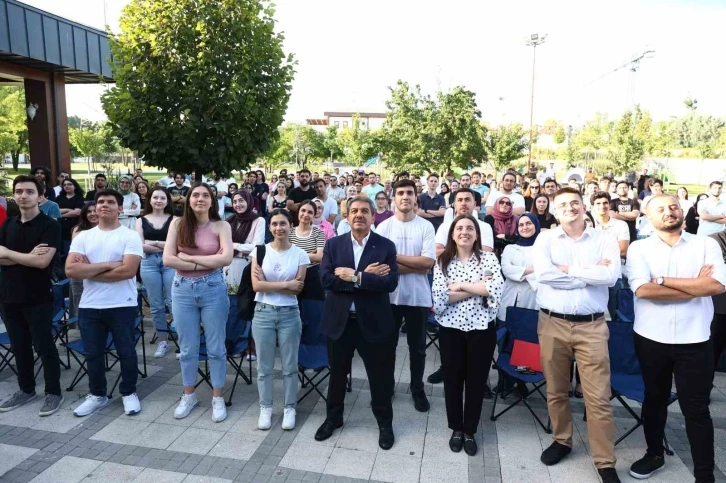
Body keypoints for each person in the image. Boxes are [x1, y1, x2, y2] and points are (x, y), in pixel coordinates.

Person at [626, 194, 726, 483]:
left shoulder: (705, 244)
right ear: (649, 217)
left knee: (696, 409)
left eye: (673, 207)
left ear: (682, 211)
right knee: (654, 399)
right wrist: (695, 286)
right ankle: (654, 453)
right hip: (650, 338)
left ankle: (704, 475)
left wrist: (661, 280)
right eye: (660, 209)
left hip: (695, 339)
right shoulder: (639, 248)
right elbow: (642, 291)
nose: (669, 212)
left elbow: (717, 285)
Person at [533, 187, 621, 483]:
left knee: (598, 398)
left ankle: (604, 461)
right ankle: (562, 440)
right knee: (556, 390)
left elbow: (610, 277)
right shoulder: (545, 238)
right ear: (555, 212)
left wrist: (568, 270)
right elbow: (543, 274)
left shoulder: (604, 239)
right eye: (563, 205)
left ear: (584, 207)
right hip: (552, 324)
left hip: (592, 326)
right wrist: (587, 275)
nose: (570, 208)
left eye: (575, 203)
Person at [315, 196, 399, 450]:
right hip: (340, 322)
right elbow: (326, 280)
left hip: (373, 322)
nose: (359, 215)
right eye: (354, 211)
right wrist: (365, 280)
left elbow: (390, 283)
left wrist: (355, 276)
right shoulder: (334, 245)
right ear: (347, 216)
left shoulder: (385, 246)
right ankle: (334, 418)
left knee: (380, 377)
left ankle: (384, 423)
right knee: (337, 374)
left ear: (374, 216)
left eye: (364, 211)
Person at [66, 189, 143, 417]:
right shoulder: (83, 237)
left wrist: (88, 269)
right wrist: (110, 264)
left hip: (122, 304)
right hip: (90, 305)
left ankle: (129, 392)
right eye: (100, 202)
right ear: (95, 208)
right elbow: (71, 270)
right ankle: (97, 395)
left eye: (110, 202)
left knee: (126, 352)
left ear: (120, 208)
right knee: (93, 353)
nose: (104, 205)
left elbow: (128, 272)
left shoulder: (129, 236)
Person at [432, 214, 503, 456]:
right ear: (452, 234)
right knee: (452, 379)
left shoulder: (489, 258)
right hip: (450, 330)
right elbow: (440, 297)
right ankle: (456, 429)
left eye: (469, 228)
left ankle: (470, 429)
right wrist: (477, 287)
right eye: (459, 228)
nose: (464, 231)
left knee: (476, 380)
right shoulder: (442, 262)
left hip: (481, 330)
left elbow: (495, 289)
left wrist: (459, 286)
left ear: (476, 234)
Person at [163, 183, 234, 423]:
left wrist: (190, 258)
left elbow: (226, 258)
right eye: (196, 195)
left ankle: (217, 396)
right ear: (188, 200)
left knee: (216, 347)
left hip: (213, 288)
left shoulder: (221, 225)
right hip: (182, 289)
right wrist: (204, 262)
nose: (200, 199)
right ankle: (189, 394)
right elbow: (168, 259)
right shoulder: (177, 224)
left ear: (212, 201)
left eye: (206, 195)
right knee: (187, 348)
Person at [0, 175, 63, 416]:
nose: (23, 196)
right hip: (7, 296)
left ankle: (53, 393)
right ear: (14, 195)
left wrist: (9, 253)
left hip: (38, 296)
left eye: (28, 191)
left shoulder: (50, 225)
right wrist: (26, 256)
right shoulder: (8, 224)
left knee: (44, 346)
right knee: (20, 346)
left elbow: (42, 262)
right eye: (18, 191)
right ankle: (26, 390)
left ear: (40, 196)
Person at [376, 179, 436, 412]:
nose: (405, 197)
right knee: (387, 347)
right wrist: (417, 265)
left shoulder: (425, 227)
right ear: (394, 198)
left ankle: (417, 388)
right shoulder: (384, 228)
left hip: (417, 297)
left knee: (418, 348)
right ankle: (387, 387)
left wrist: (393, 258)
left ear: (415, 198)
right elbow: (381, 266)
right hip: (389, 298)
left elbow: (428, 263)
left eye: (410, 193)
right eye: (400, 193)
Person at [250, 209, 308, 431]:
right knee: (263, 366)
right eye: (274, 224)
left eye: (283, 223)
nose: (278, 228)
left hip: (289, 314)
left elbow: (297, 290)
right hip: (263, 312)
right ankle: (266, 407)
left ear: (290, 226)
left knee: (290, 365)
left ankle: (289, 407)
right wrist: (285, 284)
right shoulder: (260, 251)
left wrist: (269, 284)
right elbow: (257, 286)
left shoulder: (300, 255)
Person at [224, 190, 265, 361]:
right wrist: (242, 246)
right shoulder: (228, 222)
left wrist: (233, 246)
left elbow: (257, 245)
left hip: (247, 268)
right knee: (231, 309)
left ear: (249, 201)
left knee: (246, 306)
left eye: (241, 200)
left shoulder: (258, 220)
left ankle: (247, 345)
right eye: (235, 201)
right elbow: (220, 245)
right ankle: (231, 343)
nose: (238, 204)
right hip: (229, 269)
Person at [136, 187, 175, 358]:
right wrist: (164, 243)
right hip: (148, 263)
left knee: (174, 301)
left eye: (162, 198)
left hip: (170, 262)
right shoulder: (140, 220)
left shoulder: (175, 220)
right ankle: (162, 340)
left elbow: (177, 245)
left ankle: (181, 339)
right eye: (155, 197)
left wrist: (155, 242)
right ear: (150, 200)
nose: (158, 200)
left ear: (167, 201)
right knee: (156, 304)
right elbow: (140, 245)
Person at [498, 213, 540, 323]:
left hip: (533, 301)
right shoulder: (510, 248)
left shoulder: (543, 249)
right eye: (521, 225)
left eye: (528, 223)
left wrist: (518, 272)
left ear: (536, 225)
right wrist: (531, 270)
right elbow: (506, 270)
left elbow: (543, 273)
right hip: (509, 299)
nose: (524, 227)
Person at [69, 203, 98, 318]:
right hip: (81, 272)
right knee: (80, 303)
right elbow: (78, 255)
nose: (92, 214)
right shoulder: (79, 230)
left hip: (99, 272)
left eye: (95, 211)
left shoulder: (108, 230)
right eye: (89, 211)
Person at [591, 191, 630, 259]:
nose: (602, 206)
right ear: (592, 207)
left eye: (605, 203)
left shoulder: (621, 225)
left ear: (610, 205)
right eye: (598, 203)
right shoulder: (588, 225)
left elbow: (623, 251)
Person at [484, 195, 518, 259]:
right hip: (493, 255)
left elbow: (518, 239)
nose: (504, 205)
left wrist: (505, 236)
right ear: (496, 204)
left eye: (508, 203)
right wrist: (509, 240)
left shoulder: (515, 219)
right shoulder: (489, 218)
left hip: (513, 253)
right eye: (501, 202)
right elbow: (490, 240)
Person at [57, 178, 85, 255]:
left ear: (75, 186)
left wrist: (60, 215)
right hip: (60, 227)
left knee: (70, 250)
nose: (66, 186)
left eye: (69, 184)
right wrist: (68, 209)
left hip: (74, 226)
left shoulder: (79, 198)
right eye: (64, 185)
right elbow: (55, 210)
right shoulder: (59, 198)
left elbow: (77, 212)